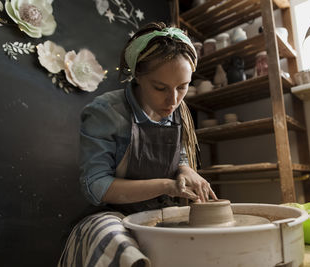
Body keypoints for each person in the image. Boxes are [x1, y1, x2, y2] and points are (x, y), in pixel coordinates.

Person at [58, 22, 217, 267]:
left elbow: (179, 156)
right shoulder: (106, 112)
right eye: (160, 87)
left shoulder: (178, 111)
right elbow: (95, 186)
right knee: (110, 237)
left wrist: (186, 170)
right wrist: (167, 185)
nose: (173, 99)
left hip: (163, 212)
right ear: (138, 76)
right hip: (115, 215)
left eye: (182, 87)